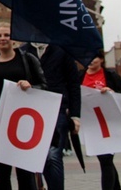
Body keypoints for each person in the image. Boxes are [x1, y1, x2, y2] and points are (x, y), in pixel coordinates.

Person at [0, 23, 46, 190]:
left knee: (25, 172)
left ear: (14, 39)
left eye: (6, 35)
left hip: (23, 123)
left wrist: (30, 86)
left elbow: (43, 86)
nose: (3, 39)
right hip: (0, 124)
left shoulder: (27, 59)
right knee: (1, 172)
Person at [20, 43, 81, 190]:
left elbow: (73, 84)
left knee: (52, 155)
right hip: (30, 110)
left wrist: (75, 115)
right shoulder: (23, 51)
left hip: (56, 108)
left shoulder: (62, 50)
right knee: (30, 158)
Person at [81, 50, 121, 190]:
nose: (90, 60)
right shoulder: (80, 76)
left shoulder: (110, 76)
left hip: (109, 123)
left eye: (94, 57)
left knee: (106, 159)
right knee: (105, 161)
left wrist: (112, 93)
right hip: (92, 124)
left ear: (101, 59)